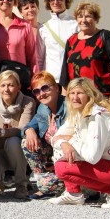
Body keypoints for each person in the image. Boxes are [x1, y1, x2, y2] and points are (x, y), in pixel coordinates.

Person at [49, 77, 110, 208]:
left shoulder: (98, 116)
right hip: (107, 163)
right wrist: (64, 143)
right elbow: (55, 138)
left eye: (80, 93)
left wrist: (70, 140)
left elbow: (92, 157)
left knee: (62, 167)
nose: (75, 97)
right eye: (72, 93)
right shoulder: (77, 112)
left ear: (89, 95)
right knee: (62, 154)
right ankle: (73, 194)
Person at [0, 70, 35, 197]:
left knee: (14, 141)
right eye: (3, 85)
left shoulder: (28, 102)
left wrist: (0, 132)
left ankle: (21, 184)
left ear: (18, 86)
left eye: (11, 85)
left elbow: (22, 129)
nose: (6, 89)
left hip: (16, 151)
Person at [22, 71, 67, 199]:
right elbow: (28, 127)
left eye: (45, 88)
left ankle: (77, 186)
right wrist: (29, 131)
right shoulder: (43, 108)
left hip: (70, 158)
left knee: (44, 185)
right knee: (26, 141)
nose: (41, 94)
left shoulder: (69, 106)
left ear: (57, 88)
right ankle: (45, 181)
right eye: (36, 91)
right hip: (54, 158)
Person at [0, 0, 37, 93]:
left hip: (20, 84)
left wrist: (34, 84)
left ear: (15, 1)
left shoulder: (25, 26)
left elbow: (32, 58)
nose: (5, 0)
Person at [59, 1, 110, 97]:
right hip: (77, 97)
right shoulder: (71, 40)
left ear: (96, 18)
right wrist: (65, 99)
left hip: (100, 96)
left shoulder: (105, 36)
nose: (83, 20)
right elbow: (65, 74)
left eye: (88, 16)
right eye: (80, 16)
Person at [39, 0, 78, 82]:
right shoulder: (43, 28)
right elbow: (41, 58)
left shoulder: (76, 24)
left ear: (66, 0)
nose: (56, 2)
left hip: (72, 79)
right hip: (51, 80)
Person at [18, 0, 46, 72]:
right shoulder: (19, 31)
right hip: (25, 71)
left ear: (38, 9)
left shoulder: (45, 29)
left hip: (44, 72)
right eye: (26, 8)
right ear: (21, 12)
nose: (30, 10)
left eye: (33, 6)